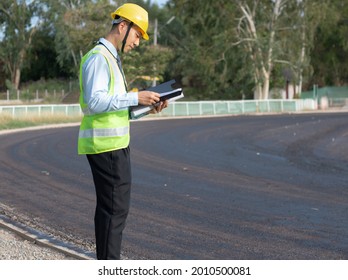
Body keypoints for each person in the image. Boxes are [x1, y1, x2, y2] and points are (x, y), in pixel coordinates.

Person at [78, 3, 168, 260]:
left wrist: (145, 107)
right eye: (138, 35)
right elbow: (95, 102)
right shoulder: (99, 58)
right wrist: (134, 96)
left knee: (113, 211)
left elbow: (115, 107)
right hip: (106, 147)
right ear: (122, 26)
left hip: (113, 145)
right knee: (114, 212)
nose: (138, 42)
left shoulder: (111, 59)